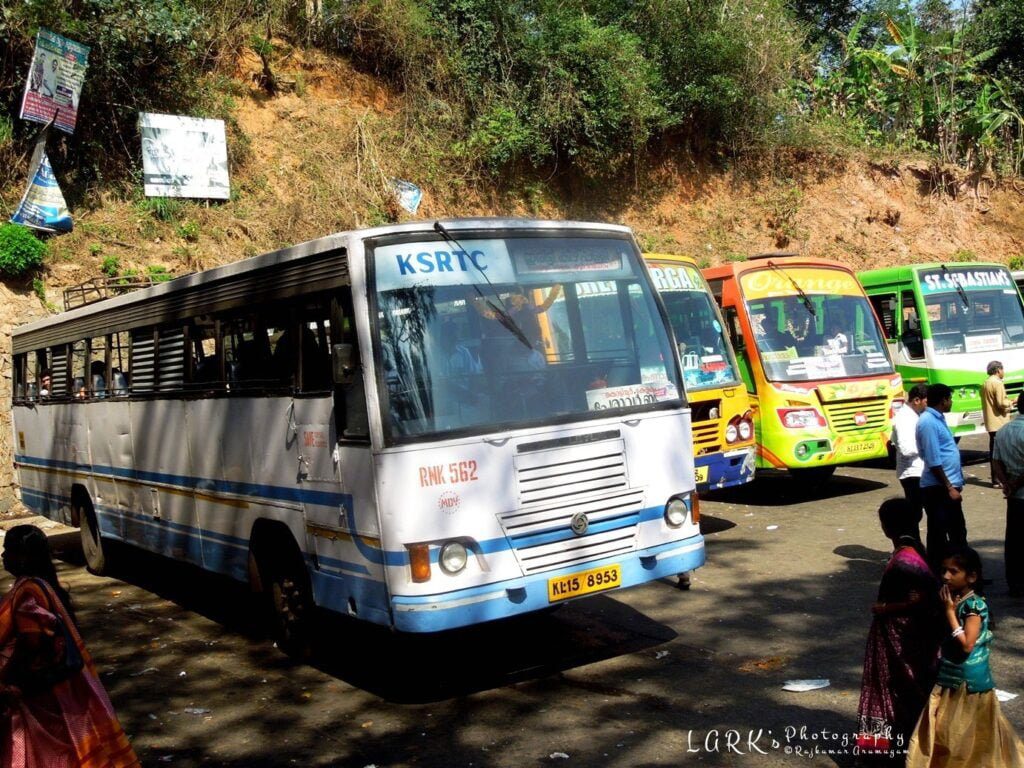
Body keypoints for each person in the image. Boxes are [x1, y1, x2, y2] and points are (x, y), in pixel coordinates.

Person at [0, 525, 140, 767]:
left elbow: (32, 642)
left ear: (22, 556)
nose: (3, 556)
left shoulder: (27, 594)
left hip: (38, 695)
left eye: (8, 550)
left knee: (46, 752)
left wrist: (12, 680)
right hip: (58, 690)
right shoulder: (45, 585)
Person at [906, 548, 1024, 766]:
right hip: (950, 673)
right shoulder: (953, 599)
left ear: (971, 577)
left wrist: (950, 614)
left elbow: (967, 645)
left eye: (953, 571)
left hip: (967, 681)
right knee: (949, 731)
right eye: (943, 570)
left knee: (961, 734)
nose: (946, 576)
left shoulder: (974, 605)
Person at [856, 498, 940, 754]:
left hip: (901, 640)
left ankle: (892, 750)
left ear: (886, 526)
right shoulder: (914, 554)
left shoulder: (905, 560)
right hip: (909, 639)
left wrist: (886, 608)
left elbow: (922, 602)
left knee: (897, 692)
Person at [916, 383, 968, 574]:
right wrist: (949, 487)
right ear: (943, 400)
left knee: (957, 531)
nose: (951, 402)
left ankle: (962, 572)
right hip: (938, 488)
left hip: (946, 486)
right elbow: (933, 459)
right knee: (940, 533)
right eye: (950, 398)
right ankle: (940, 574)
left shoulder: (937, 418)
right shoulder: (928, 422)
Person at [992, 392, 1024, 598]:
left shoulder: (1003, 431)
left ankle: (1015, 583)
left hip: (1014, 496)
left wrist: (1006, 483)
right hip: (1019, 490)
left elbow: (995, 461)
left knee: (1014, 541)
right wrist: (1014, 484)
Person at [892, 384, 929, 543]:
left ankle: (914, 545)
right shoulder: (904, 418)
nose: (927, 406)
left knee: (917, 513)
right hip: (912, 473)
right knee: (914, 514)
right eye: (926, 402)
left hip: (918, 471)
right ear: (916, 400)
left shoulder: (913, 415)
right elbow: (906, 449)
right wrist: (926, 447)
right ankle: (912, 546)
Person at [983, 361, 1014, 487]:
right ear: (998, 370)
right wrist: (1012, 402)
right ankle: (1001, 479)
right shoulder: (997, 383)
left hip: (990, 422)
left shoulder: (985, 383)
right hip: (1000, 422)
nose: (1003, 372)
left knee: (994, 451)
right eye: (1002, 369)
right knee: (1003, 452)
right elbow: (1001, 403)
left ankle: (995, 479)